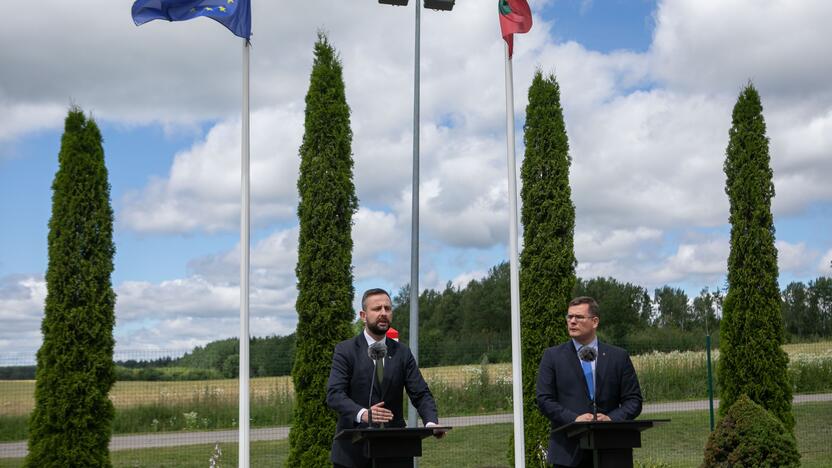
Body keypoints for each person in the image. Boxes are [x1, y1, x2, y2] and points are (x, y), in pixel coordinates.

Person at [326, 288, 444, 468]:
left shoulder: (402, 353)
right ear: (363, 315)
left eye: (388, 309)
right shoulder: (346, 350)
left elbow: (420, 393)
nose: (383, 313)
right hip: (352, 454)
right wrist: (363, 414)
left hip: (395, 452)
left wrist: (430, 421)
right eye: (377, 308)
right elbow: (334, 394)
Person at [536, 296, 643, 468]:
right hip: (568, 452)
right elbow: (544, 399)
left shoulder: (618, 357)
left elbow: (634, 400)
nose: (572, 321)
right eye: (569, 317)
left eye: (578, 317)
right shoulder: (553, 356)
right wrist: (574, 419)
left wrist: (611, 418)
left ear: (594, 321)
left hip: (611, 451)